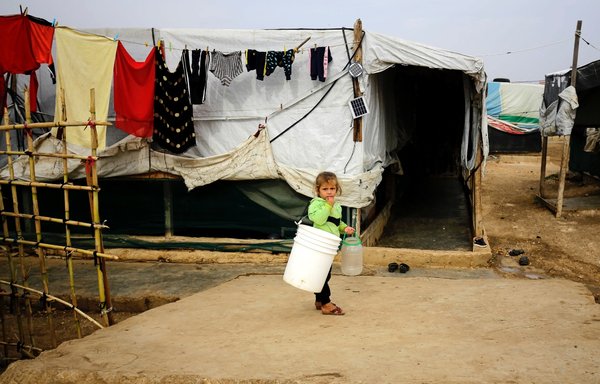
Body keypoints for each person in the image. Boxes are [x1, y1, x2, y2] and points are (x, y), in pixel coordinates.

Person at [308, 171, 355, 315]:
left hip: (330, 246)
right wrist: (328, 206)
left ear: (337, 189)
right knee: (322, 274)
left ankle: (319, 300)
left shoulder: (337, 206)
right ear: (318, 190)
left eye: (332, 189)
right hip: (319, 244)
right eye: (325, 189)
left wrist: (344, 228)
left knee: (323, 274)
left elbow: (335, 222)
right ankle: (326, 303)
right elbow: (320, 220)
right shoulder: (316, 204)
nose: (329, 192)